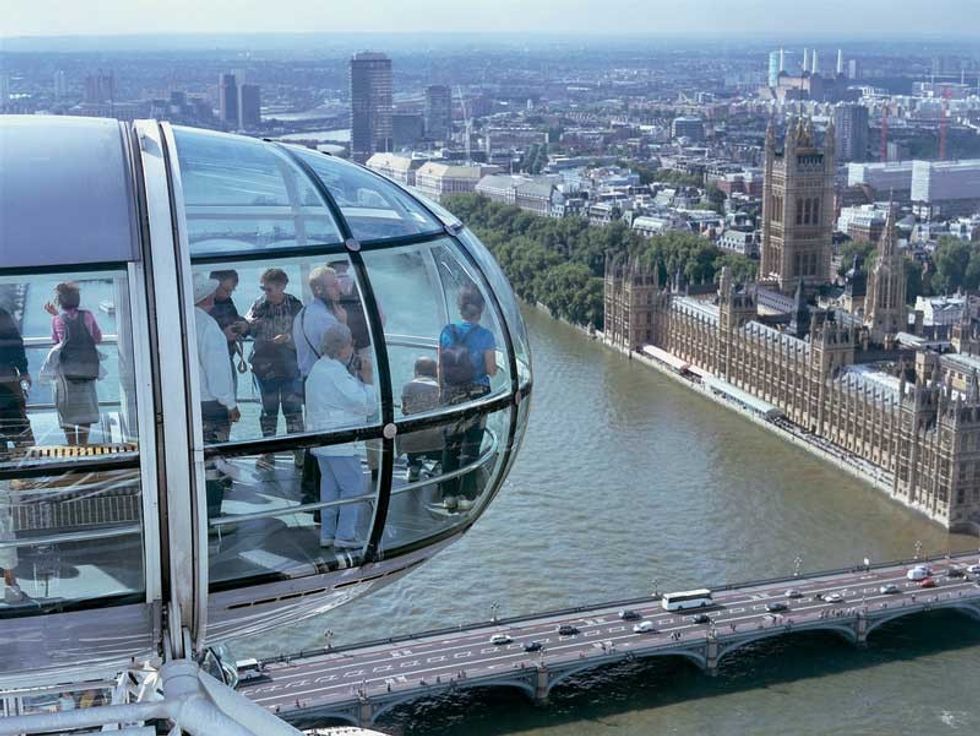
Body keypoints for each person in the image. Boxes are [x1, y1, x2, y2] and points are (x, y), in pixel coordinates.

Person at [305, 323, 375, 550]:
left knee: (330, 489)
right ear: (344, 348)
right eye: (350, 345)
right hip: (340, 444)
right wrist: (367, 379)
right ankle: (345, 535)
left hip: (321, 442)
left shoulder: (318, 369)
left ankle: (328, 533)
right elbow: (366, 406)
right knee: (352, 487)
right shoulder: (336, 374)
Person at [437, 285, 497, 510]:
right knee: (471, 445)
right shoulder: (486, 336)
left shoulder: (447, 331)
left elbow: (440, 367)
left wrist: (442, 392)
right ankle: (466, 495)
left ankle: (448, 495)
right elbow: (491, 369)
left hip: (451, 395)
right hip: (477, 397)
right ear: (480, 310)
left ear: (460, 308)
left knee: (450, 444)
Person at [293, 266, 346, 504]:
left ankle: (309, 492)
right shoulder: (325, 319)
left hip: (309, 381)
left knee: (315, 436)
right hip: (325, 384)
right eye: (333, 285)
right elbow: (341, 353)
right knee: (325, 441)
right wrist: (343, 324)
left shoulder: (303, 314)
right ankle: (319, 497)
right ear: (318, 289)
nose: (339, 289)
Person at [245, 268, 304, 470]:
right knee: (268, 409)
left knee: (293, 408)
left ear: (282, 287)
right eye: (263, 288)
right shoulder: (259, 304)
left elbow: (304, 333)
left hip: (289, 365)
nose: (265, 293)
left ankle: (298, 450)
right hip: (265, 365)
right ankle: (268, 451)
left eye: (268, 289)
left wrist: (287, 338)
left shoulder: (295, 305)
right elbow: (248, 327)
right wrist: (250, 325)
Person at [193, 273, 241, 522]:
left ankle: (198, 514)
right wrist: (230, 404)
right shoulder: (208, 327)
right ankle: (212, 516)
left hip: (188, 404)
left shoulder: (179, 321)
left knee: (197, 460)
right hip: (211, 405)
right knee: (215, 461)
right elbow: (218, 371)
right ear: (207, 297)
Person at [45, 282, 103, 446]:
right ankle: (83, 444)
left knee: (68, 409)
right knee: (86, 410)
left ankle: (71, 446)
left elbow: (56, 342)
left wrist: (55, 316)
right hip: (87, 369)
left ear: (60, 302)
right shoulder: (88, 315)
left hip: (66, 372)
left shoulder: (57, 320)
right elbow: (97, 338)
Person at [399, 356, 443, 482]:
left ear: (417, 371)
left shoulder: (408, 387)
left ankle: (413, 467)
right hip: (436, 439)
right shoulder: (440, 387)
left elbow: (404, 410)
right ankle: (439, 465)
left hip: (412, 440)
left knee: (411, 429)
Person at [0, 306, 34, 456]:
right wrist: (23, 371)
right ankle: (28, 458)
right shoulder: (2, 314)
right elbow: (15, 343)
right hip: (6, 377)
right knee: (18, 423)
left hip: (6, 377)